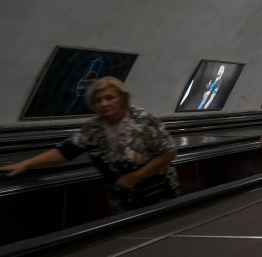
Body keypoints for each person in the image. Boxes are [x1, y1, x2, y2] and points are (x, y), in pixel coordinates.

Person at [0, 77, 180, 213]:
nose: (104, 104)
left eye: (110, 98)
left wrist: (136, 176)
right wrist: (27, 164)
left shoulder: (143, 121)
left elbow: (169, 152)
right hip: (122, 198)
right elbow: (65, 152)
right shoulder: (93, 128)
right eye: (98, 100)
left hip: (157, 193)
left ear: (123, 98)